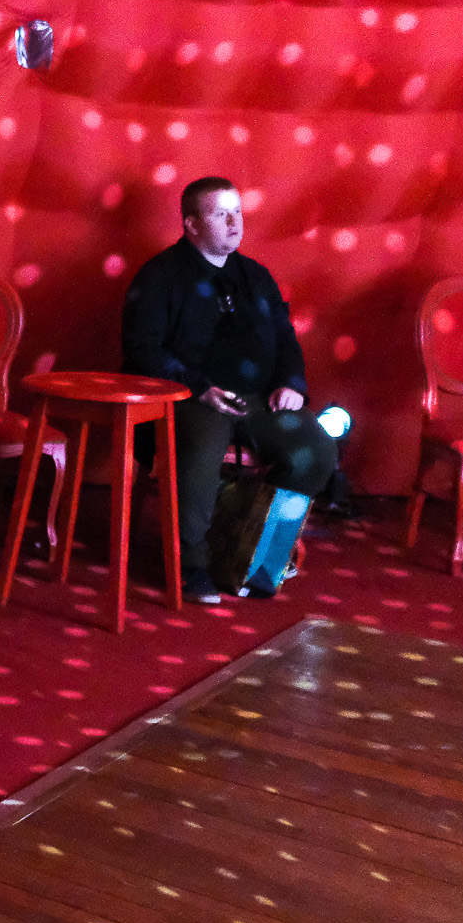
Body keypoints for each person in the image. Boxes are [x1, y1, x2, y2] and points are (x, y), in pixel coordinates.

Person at [122, 176, 340, 603]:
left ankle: (260, 553)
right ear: (192, 224)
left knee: (316, 449)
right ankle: (192, 565)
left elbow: (286, 340)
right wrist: (201, 389)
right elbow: (142, 348)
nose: (234, 222)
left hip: (258, 398)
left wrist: (291, 383)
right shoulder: (160, 276)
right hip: (186, 397)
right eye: (221, 214)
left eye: (238, 212)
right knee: (202, 449)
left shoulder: (257, 276)